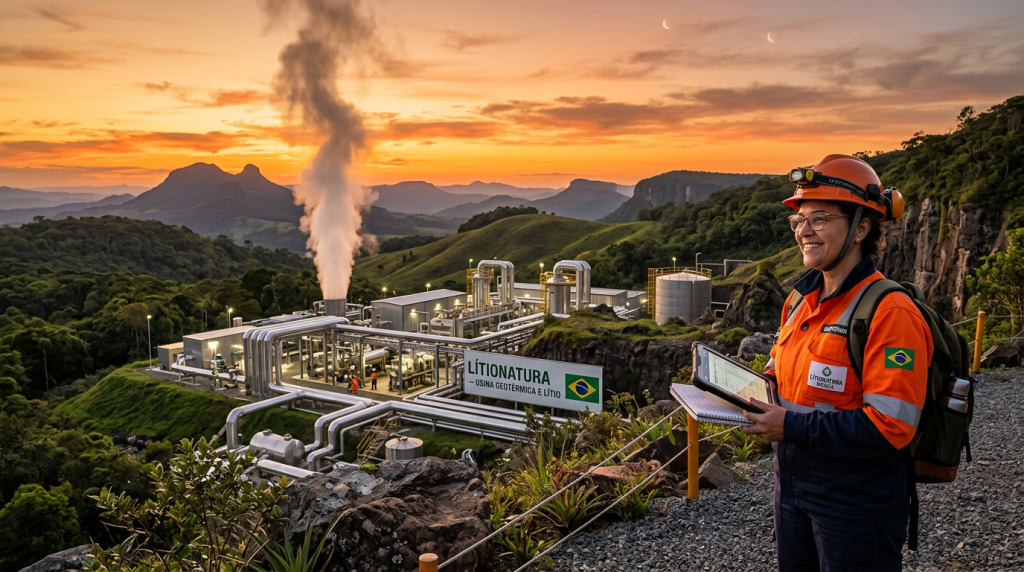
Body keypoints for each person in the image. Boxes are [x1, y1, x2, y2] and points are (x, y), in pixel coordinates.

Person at [742, 154, 931, 572]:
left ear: (863, 227)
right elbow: (779, 370)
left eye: (820, 218)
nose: (804, 231)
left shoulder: (889, 312)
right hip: (791, 488)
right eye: (799, 220)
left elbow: (890, 426)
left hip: (856, 504)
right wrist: (750, 391)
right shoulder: (798, 300)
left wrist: (788, 425)